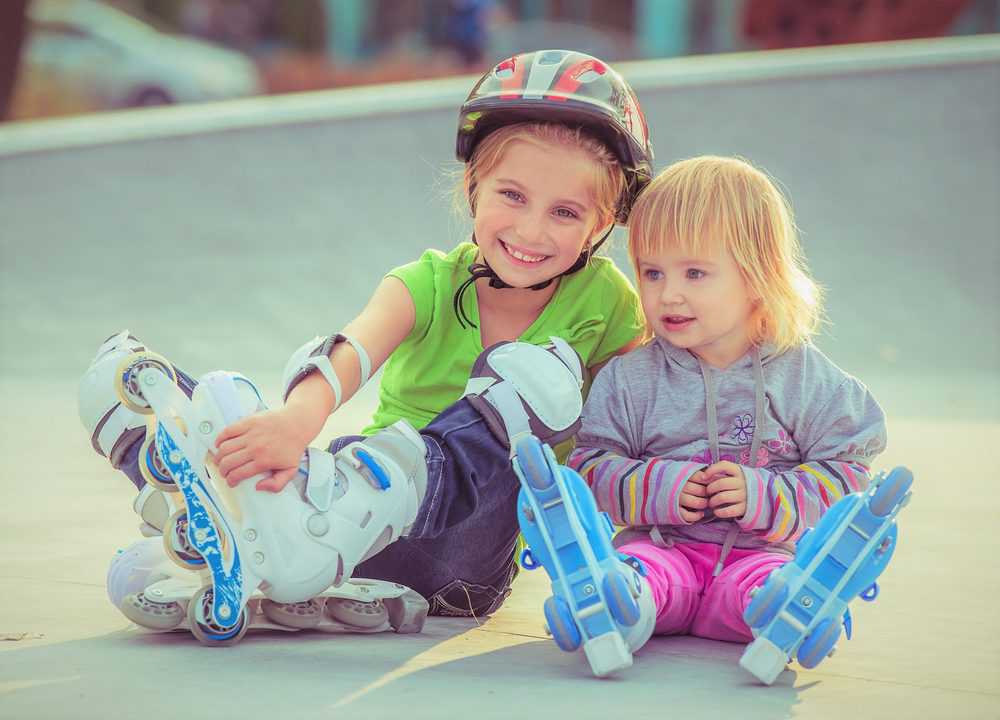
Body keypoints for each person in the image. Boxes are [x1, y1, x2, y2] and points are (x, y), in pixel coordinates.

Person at [79, 48, 653, 624]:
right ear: (475, 185)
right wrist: (293, 423)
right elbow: (350, 351)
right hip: (354, 528)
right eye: (513, 196)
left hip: (463, 559)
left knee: (537, 376)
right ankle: (244, 535)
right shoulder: (425, 281)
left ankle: (279, 528)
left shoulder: (608, 302)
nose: (531, 230)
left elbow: (636, 422)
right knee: (122, 380)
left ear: (600, 224)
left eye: (564, 213)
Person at [557, 155, 888, 663]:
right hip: (662, 549)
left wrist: (765, 495)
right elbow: (589, 469)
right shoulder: (629, 379)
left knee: (768, 585)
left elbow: (847, 479)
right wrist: (659, 487)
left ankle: (787, 615)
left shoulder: (806, 380)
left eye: (695, 273)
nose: (669, 294)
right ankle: (616, 607)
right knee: (639, 570)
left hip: (759, 557)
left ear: (757, 275)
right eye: (652, 272)